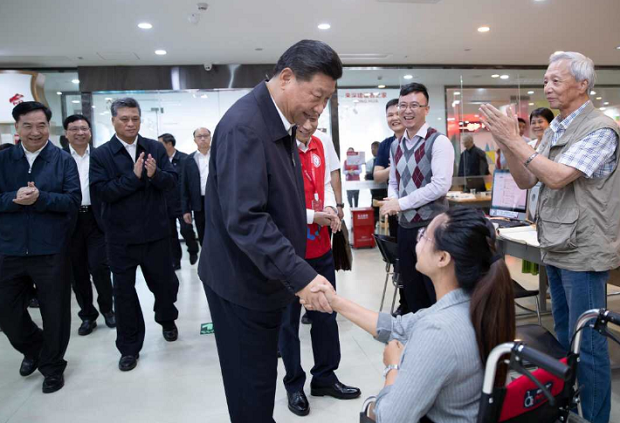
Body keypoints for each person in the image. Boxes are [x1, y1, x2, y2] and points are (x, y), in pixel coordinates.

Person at [198, 39, 342, 423]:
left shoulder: (279, 123)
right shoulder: (245, 127)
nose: (319, 108)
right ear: (287, 77)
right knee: (252, 387)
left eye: (327, 99)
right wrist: (300, 276)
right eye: (317, 96)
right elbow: (247, 219)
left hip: (266, 278)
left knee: (261, 377)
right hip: (241, 284)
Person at [480, 51, 620, 423]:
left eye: (556, 80)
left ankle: (594, 417)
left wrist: (515, 140)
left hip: (583, 250)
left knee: (588, 342)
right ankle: (567, 407)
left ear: (583, 84)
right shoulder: (556, 127)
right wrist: (506, 143)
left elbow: (557, 177)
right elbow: (527, 178)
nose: (548, 87)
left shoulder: (600, 129)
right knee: (564, 337)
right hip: (556, 244)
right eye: (545, 80)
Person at [309, 208, 515, 422]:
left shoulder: (437, 331)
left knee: (371, 410)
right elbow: (396, 327)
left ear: (442, 258)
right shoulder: (472, 303)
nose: (417, 240)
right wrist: (334, 301)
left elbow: (390, 418)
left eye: (424, 236)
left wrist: (393, 367)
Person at [90, 97, 180, 372]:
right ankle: (129, 348)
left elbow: (172, 181)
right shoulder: (102, 154)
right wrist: (134, 177)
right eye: (124, 119)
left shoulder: (154, 148)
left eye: (135, 119)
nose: (130, 124)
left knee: (165, 286)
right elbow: (103, 192)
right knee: (124, 295)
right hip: (120, 239)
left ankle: (166, 319)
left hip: (156, 234)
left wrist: (155, 175)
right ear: (113, 121)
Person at [278, 116, 360, 417]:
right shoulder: (277, 147)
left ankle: (325, 376)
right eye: (302, 119)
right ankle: (294, 384)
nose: (308, 125)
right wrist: (314, 216)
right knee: (288, 321)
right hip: (288, 251)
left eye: (313, 119)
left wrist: (329, 207)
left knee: (325, 313)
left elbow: (325, 181)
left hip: (320, 247)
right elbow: (277, 201)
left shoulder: (322, 142)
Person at [0, 101, 81, 394]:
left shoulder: (63, 160)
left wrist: (41, 198)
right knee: (6, 312)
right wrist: (13, 198)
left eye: (41, 125)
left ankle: (52, 366)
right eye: (28, 126)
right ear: (17, 128)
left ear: (49, 126)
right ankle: (34, 347)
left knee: (55, 312)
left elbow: (73, 200)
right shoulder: (4, 160)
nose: (35, 132)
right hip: (9, 249)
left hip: (51, 250)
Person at [380, 82, 455, 314]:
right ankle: (417, 334)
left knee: (436, 292)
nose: (407, 111)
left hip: (432, 228)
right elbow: (394, 182)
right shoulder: (395, 145)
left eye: (414, 105)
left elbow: (440, 185)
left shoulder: (439, 142)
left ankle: (441, 335)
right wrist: (393, 201)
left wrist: (400, 203)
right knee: (412, 292)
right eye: (403, 105)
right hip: (405, 228)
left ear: (426, 109)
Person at [63, 114, 115, 336]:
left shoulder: (100, 156)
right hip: (70, 221)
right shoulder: (59, 158)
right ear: (66, 134)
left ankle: (108, 309)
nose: (80, 133)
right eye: (74, 129)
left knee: (100, 267)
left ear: (90, 132)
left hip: (96, 219)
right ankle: (87, 315)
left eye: (84, 128)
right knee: (78, 272)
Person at [374, 98, 407, 315]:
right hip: (395, 210)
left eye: (397, 113)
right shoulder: (387, 144)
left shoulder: (419, 141)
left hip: (418, 211)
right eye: (390, 115)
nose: (394, 118)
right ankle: (405, 302)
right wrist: (394, 167)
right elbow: (377, 176)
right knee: (399, 259)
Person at [158, 133, 199, 269]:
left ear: (169, 144)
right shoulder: (159, 160)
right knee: (170, 234)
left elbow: (189, 181)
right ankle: (176, 261)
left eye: (160, 144)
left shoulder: (185, 159)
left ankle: (193, 249)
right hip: (166, 202)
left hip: (181, 201)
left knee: (186, 229)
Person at [182, 127, 211, 246]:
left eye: (206, 136)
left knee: (220, 232)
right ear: (195, 140)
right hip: (199, 203)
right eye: (199, 136)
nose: (203, 139)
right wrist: (186, 210)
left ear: (210, 138)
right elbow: (184, 186)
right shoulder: (188, 160)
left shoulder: (219, 155)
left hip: (218, 201)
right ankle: (206, 256)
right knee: (203, 233)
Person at [366, 141, 383, 222]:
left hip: (385, 191)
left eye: (374, 148)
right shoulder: (370, 162)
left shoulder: (385, 160)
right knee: (375, 211)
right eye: (371, 148)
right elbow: (367, 177)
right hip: (374, 192)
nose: (372, 150)